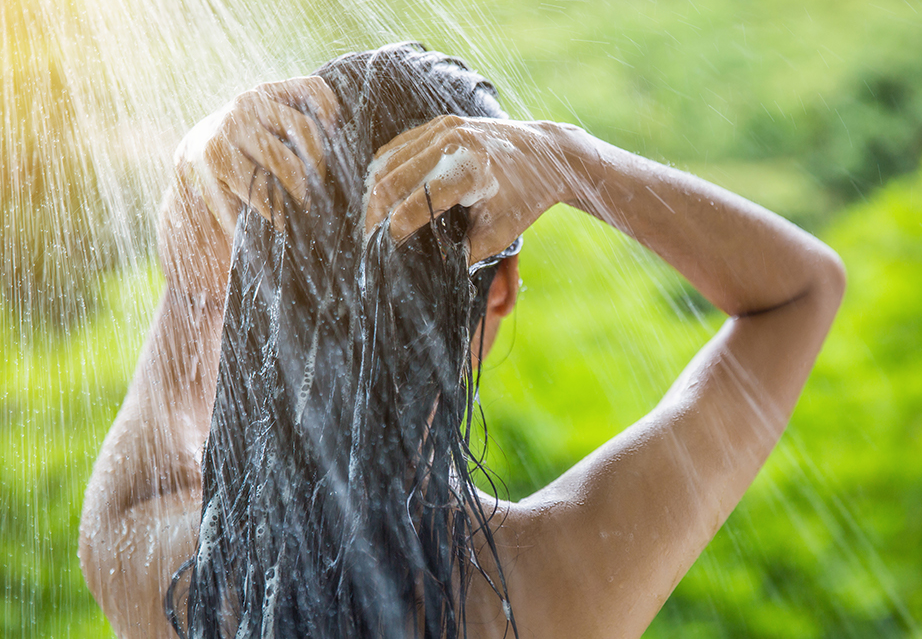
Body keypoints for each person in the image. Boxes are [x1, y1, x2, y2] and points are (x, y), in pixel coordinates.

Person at [79, 42, 845, 639]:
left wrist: (199, 158)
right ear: (500, 291)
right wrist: (568, 159)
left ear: (267, 290)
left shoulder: (157, 566)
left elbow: (192, 287)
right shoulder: (549, 587)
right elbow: (802, 289)